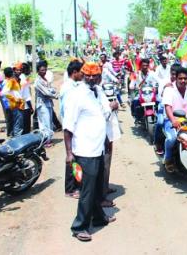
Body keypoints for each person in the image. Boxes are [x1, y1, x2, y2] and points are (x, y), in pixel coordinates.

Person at [63, 62, 117, 242]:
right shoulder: (76, 95)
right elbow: (68, 127)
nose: (92, 78)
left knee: (95, 187)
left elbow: (103, 114)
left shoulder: (98, 91)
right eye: (88, 75)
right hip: (84, 151)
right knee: (87, 190)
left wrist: (111, 107)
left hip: (98, 148)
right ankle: (79, 226)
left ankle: (99, 218)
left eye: (96, 75)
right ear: (83, 75)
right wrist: (69, 153)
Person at [60, 60, 83, 199]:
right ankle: (71, 188)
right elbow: (68, 111)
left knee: (75, 159)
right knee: (72, 158)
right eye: (81, 72)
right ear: (74, 72)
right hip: (71, 126)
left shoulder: (72, 85)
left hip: (72, 125)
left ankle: (75, 185)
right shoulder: (68, 88)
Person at [154, 63, 179, 155]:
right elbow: (160, 98)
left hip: (178, 111)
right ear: (170, 73)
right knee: (160, 122)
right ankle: (158, 143)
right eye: (173, 74)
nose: (174, 76)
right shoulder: (164, 82)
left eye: (177, 74)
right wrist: (165, 89)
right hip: (163, 107)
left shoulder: (182, 83)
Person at [34, 61, 58, 147]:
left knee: (49, 121)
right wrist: (56, 96)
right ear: (38, 71)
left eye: (45, 70)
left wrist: (54, 92)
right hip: (42, 104)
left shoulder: (45, 79)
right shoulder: (38, 81)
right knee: (44, 122)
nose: (44, 72)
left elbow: (51, 89)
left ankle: (48, 139)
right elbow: (46, 92)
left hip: (48, 103)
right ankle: (45, 141)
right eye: (42, 70)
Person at [1, 67, 24, 137]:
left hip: (16, 105)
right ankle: (17, 140)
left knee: (16, 123)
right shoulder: (11, 81)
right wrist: (14, 99)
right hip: (16, 105)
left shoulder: (11, 81)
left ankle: (15, 137)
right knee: (18, 124)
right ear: (12, 73)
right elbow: (4, 92)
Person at [19, 63, 34, 134]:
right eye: (29, 69)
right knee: (26, 125)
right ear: (25, 70)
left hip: (21, 104)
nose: (30, 70)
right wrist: (31, 107)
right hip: (25, 105)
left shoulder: (21, 78)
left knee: (24, 124)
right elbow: (26, 96)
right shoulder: (24, 79)